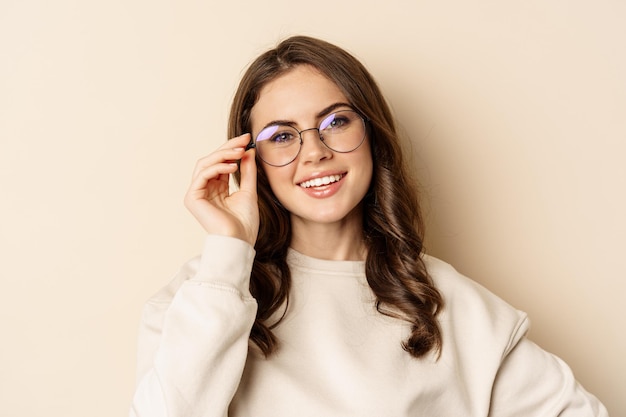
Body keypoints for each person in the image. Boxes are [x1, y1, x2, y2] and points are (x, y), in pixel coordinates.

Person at [129, 36, 608, 416]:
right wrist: (228, 250)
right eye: (282, 136)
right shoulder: (199, 297)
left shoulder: (457, 308)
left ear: (372, 135)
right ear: (250, 161)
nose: (314, 152)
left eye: (336, 121)